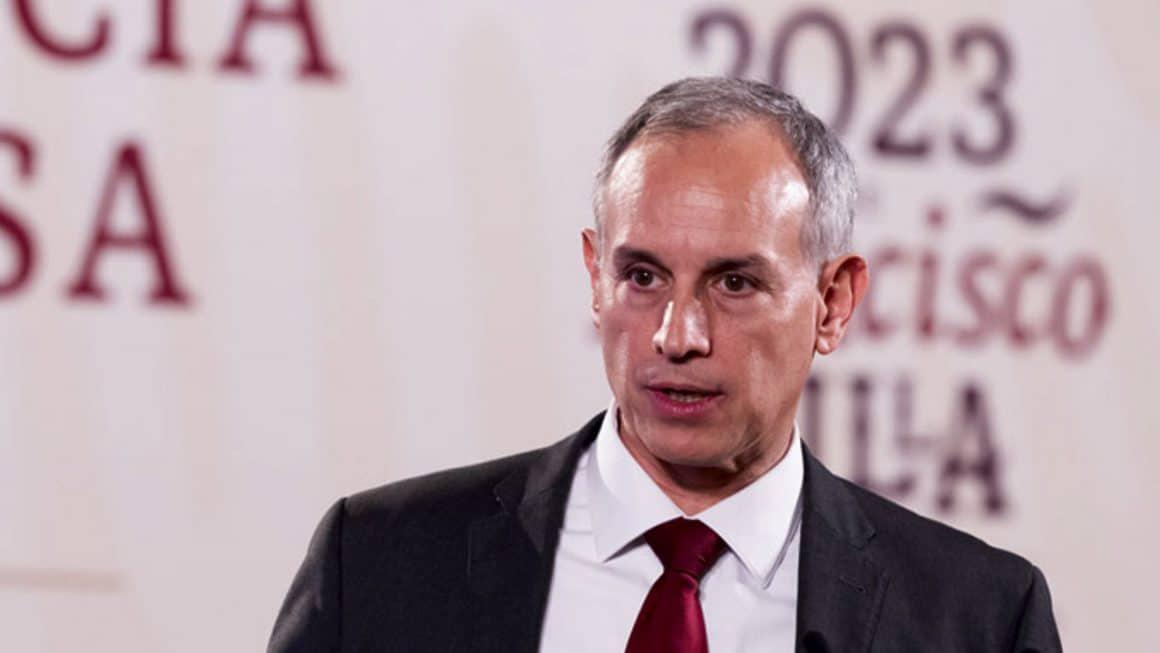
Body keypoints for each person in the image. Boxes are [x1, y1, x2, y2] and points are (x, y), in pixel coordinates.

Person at [267, 77, 1062, 652]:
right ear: (595, 277)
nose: (678, 336)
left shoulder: (980, 618)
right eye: (642, 276)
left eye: (735, 283)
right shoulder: (377, 563)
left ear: (833, 302)